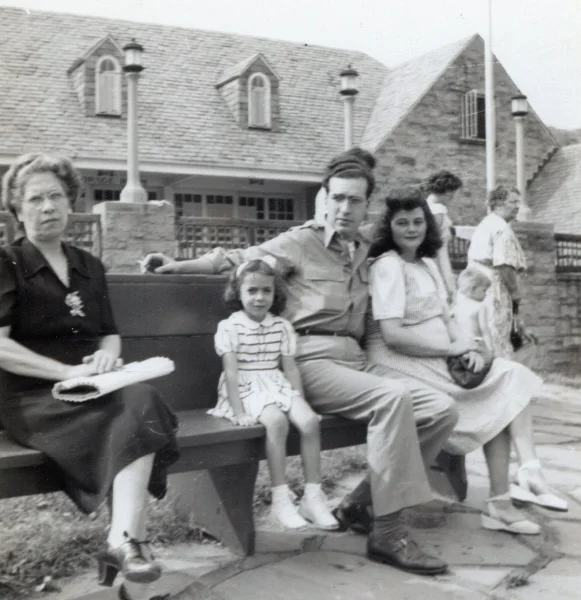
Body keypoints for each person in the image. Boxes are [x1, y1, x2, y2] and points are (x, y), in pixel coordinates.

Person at [142, 148, 458, 576]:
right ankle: (388, 531)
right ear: (324, 198)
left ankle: (361, 503)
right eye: (338, 198)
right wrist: (177, 264)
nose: (345, 208)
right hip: (307, 361)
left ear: (367, 205)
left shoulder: (366, 246)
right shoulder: (299, 242)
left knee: (441, 409)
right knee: (393, 399)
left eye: (355, 200)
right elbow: (237, 258)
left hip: (357, 362)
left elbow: (421, 234)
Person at [0, 154, 180, 588]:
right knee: (138, 418)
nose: (47, 207)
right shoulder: (7, 263)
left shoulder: (89, 265)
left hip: (90, 386)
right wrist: (62, 372)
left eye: (56, 196)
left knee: (144, 399)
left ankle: (121, 541)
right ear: (17, 210)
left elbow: (109, 334)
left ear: (70, 202)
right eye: (36, 198)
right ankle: (129, 543)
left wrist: (105, 358)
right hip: (32, 398)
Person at [365, 188, 567, 534]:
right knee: (500, 389)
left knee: (507, 378)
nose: (412, 229)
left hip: (434, 352)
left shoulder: (426, 265)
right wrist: (452, 351)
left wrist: (469, 347)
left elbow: (448, 321)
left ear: (428, 225)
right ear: (390, 227)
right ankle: (506, 496)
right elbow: (394, 335)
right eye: (402, 223)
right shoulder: (387, 267)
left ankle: (523, 476)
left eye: (418, 222)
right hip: (397, 359)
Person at [210, 258, 339, 531]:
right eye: (252, 291)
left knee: (309, 422)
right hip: (244, 387)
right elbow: (231, 373)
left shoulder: (281, 327)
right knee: (277, 422)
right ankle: (281, 499)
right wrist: (239, 411)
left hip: (275, 381)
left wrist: (300, 400)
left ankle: (313, 498)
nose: (259, 298)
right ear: (238, 293)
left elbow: (290, 369)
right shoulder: (230, 327)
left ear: (275, 293)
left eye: (266, 291)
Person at [467, 185, 528, 359]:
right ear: (498, 203)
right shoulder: (502, 229)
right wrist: (515, 291)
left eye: (518, 202)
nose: (517, 206)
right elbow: (503, 264)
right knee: (497, 333)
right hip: (495, 289)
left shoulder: (487, 223)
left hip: (479, 287)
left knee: (485, 331)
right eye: (513, 202)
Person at [423, 170, 463, 303]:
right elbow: (433, 244)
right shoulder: (437, 211)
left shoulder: (427, 205)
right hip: (438, 258)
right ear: (448, 191)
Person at [453, 265, 494, 355]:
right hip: (477, 344)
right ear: (473, 288)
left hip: (462, 345)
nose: (486, 294)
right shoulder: (480, 306)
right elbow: (484, 330)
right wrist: (491, 350)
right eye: (484, 290)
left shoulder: (458, 306)